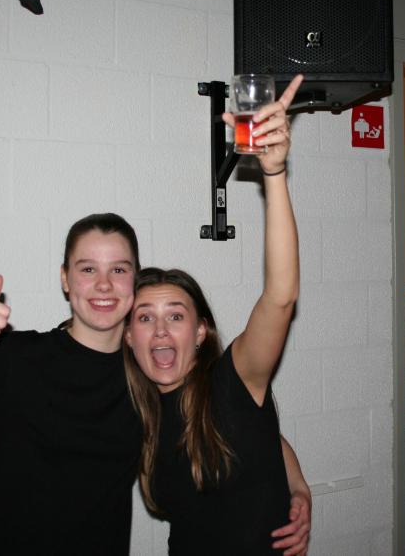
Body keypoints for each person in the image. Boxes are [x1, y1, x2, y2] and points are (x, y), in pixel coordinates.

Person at [0, 211, 310, 554]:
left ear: (133, 281)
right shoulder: (10, 358)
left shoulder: (147, 378)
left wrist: (297, 487)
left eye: (118, 270)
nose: (104, 284)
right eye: (88, 269)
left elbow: (242, 423)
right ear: (65, 279)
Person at [124, 75, 308, 555]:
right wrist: (298, 484)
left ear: (202, 330)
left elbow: (280, 296)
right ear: (127, 336)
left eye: (175, 316)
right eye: (144, 318)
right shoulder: (134, 407)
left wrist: (274, 174)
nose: (160, 330)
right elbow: (266, 438)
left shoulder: (234, 380)